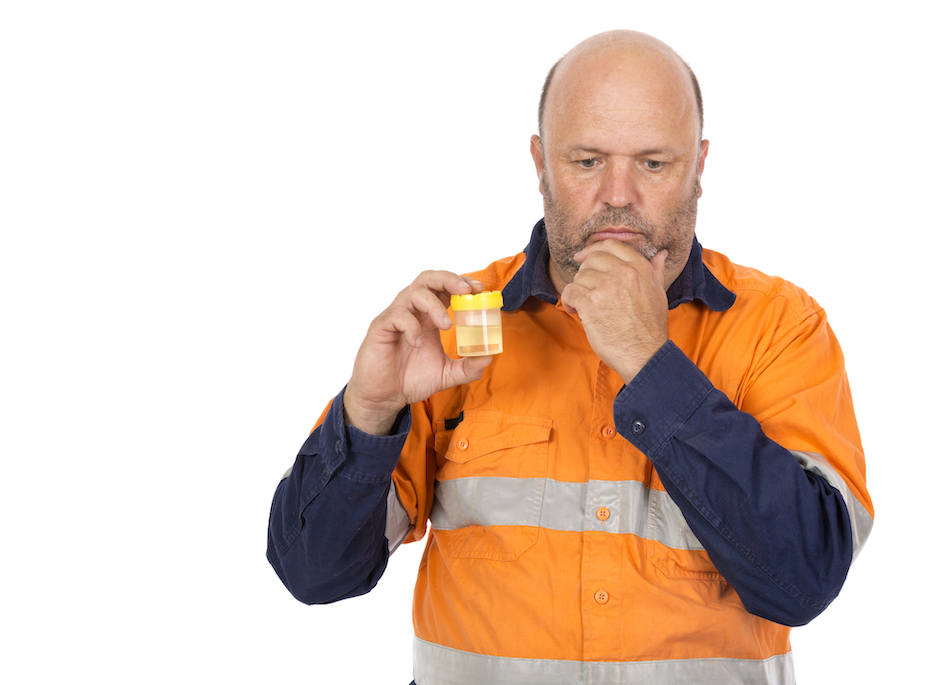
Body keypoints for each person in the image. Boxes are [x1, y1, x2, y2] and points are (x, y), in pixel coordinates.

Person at [267, 29, 873, 685]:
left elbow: (805, 578)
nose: (618, 194)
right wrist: (369, 410)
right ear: (540, 163)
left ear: (699, 166)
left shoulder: (780, 327)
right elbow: (314, 573)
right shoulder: (459, 322)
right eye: (587, 161)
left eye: (653, 163)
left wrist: (653, 366)